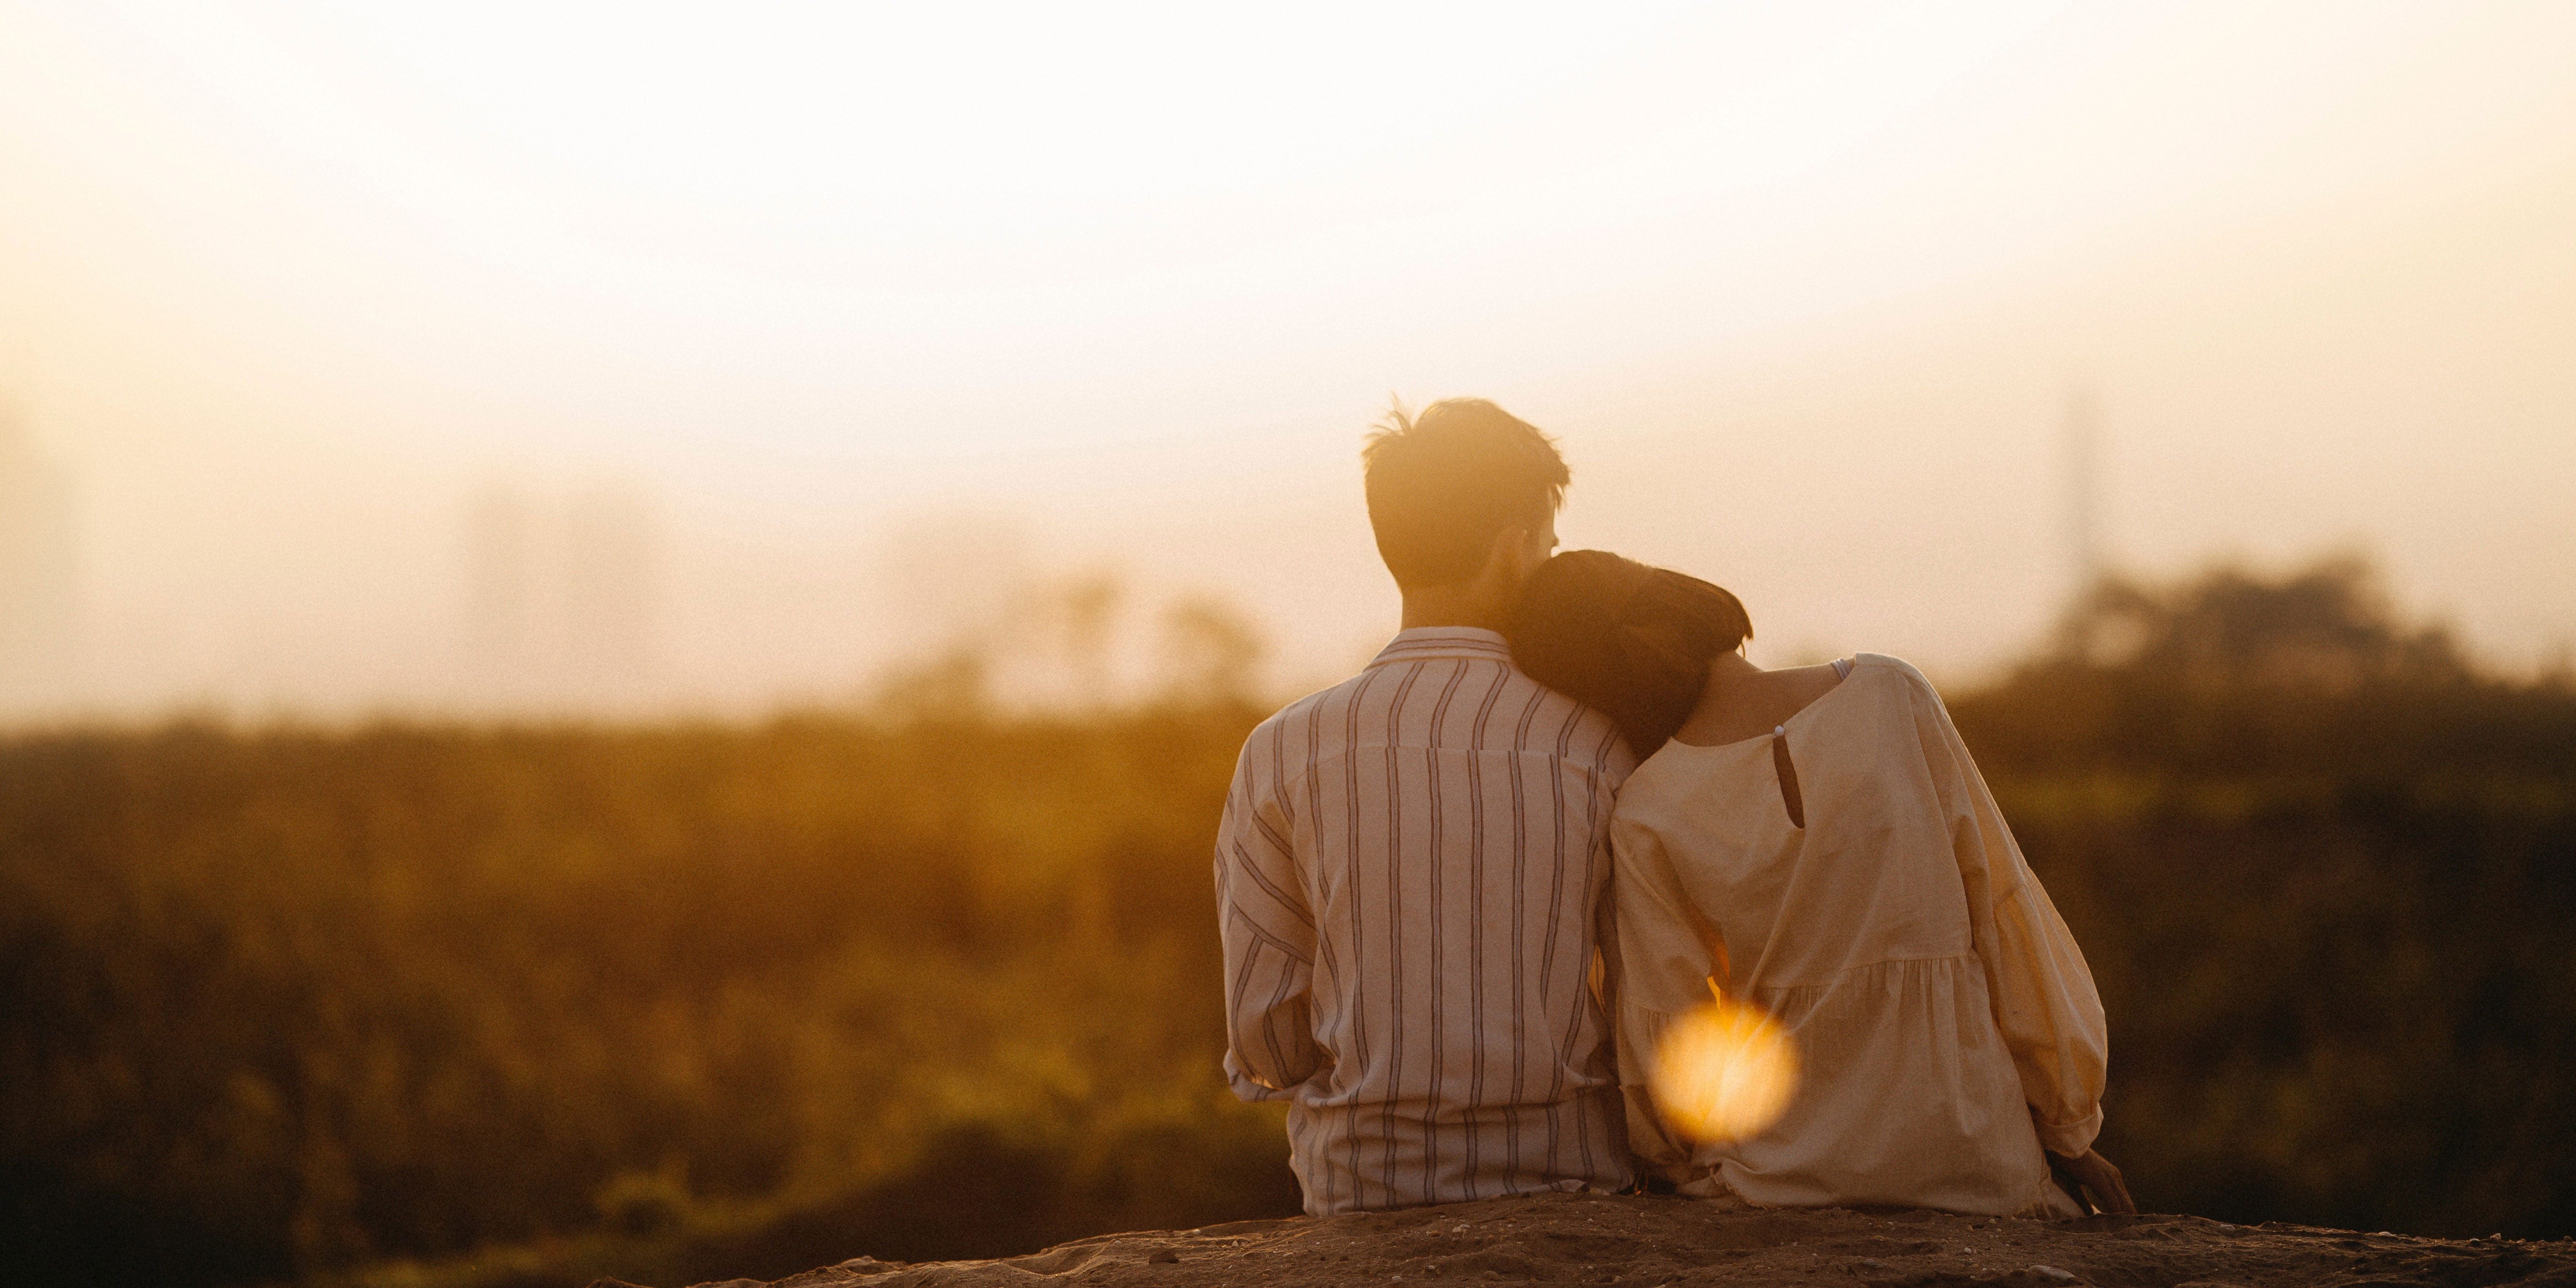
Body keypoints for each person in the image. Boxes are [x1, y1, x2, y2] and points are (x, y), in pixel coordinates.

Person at [1503, 550, 2135, 1218]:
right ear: (1684, 598)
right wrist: (2067, 1127)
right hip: (1974, 1158)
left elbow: (1669, 1031)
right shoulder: (1893, 694)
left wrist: (1669, 1161)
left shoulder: (1646, 809)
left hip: (1777, 1178)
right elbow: (2005, 911)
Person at [1215, 400, 1638, 1215]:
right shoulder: (1598, 742)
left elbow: (1264, 1038)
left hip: (1365, 1189)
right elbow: (1645, 996)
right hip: (1572, 1182)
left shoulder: (1282, 748)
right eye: (1548, 546)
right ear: (1517, 548)